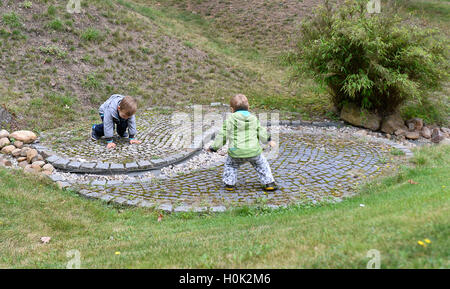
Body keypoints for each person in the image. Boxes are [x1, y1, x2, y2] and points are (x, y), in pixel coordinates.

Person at [208, 94, 278, 191]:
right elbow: (261, 131)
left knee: (231, 165)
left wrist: (214, 147)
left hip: (236, 152)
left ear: (232, 109)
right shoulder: (253, 118)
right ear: (248, 107)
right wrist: (268, 140)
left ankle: (229, 184)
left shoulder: (230, 120)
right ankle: (269, 183)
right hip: (253, 151)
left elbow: (222, 135)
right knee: (262, 164)